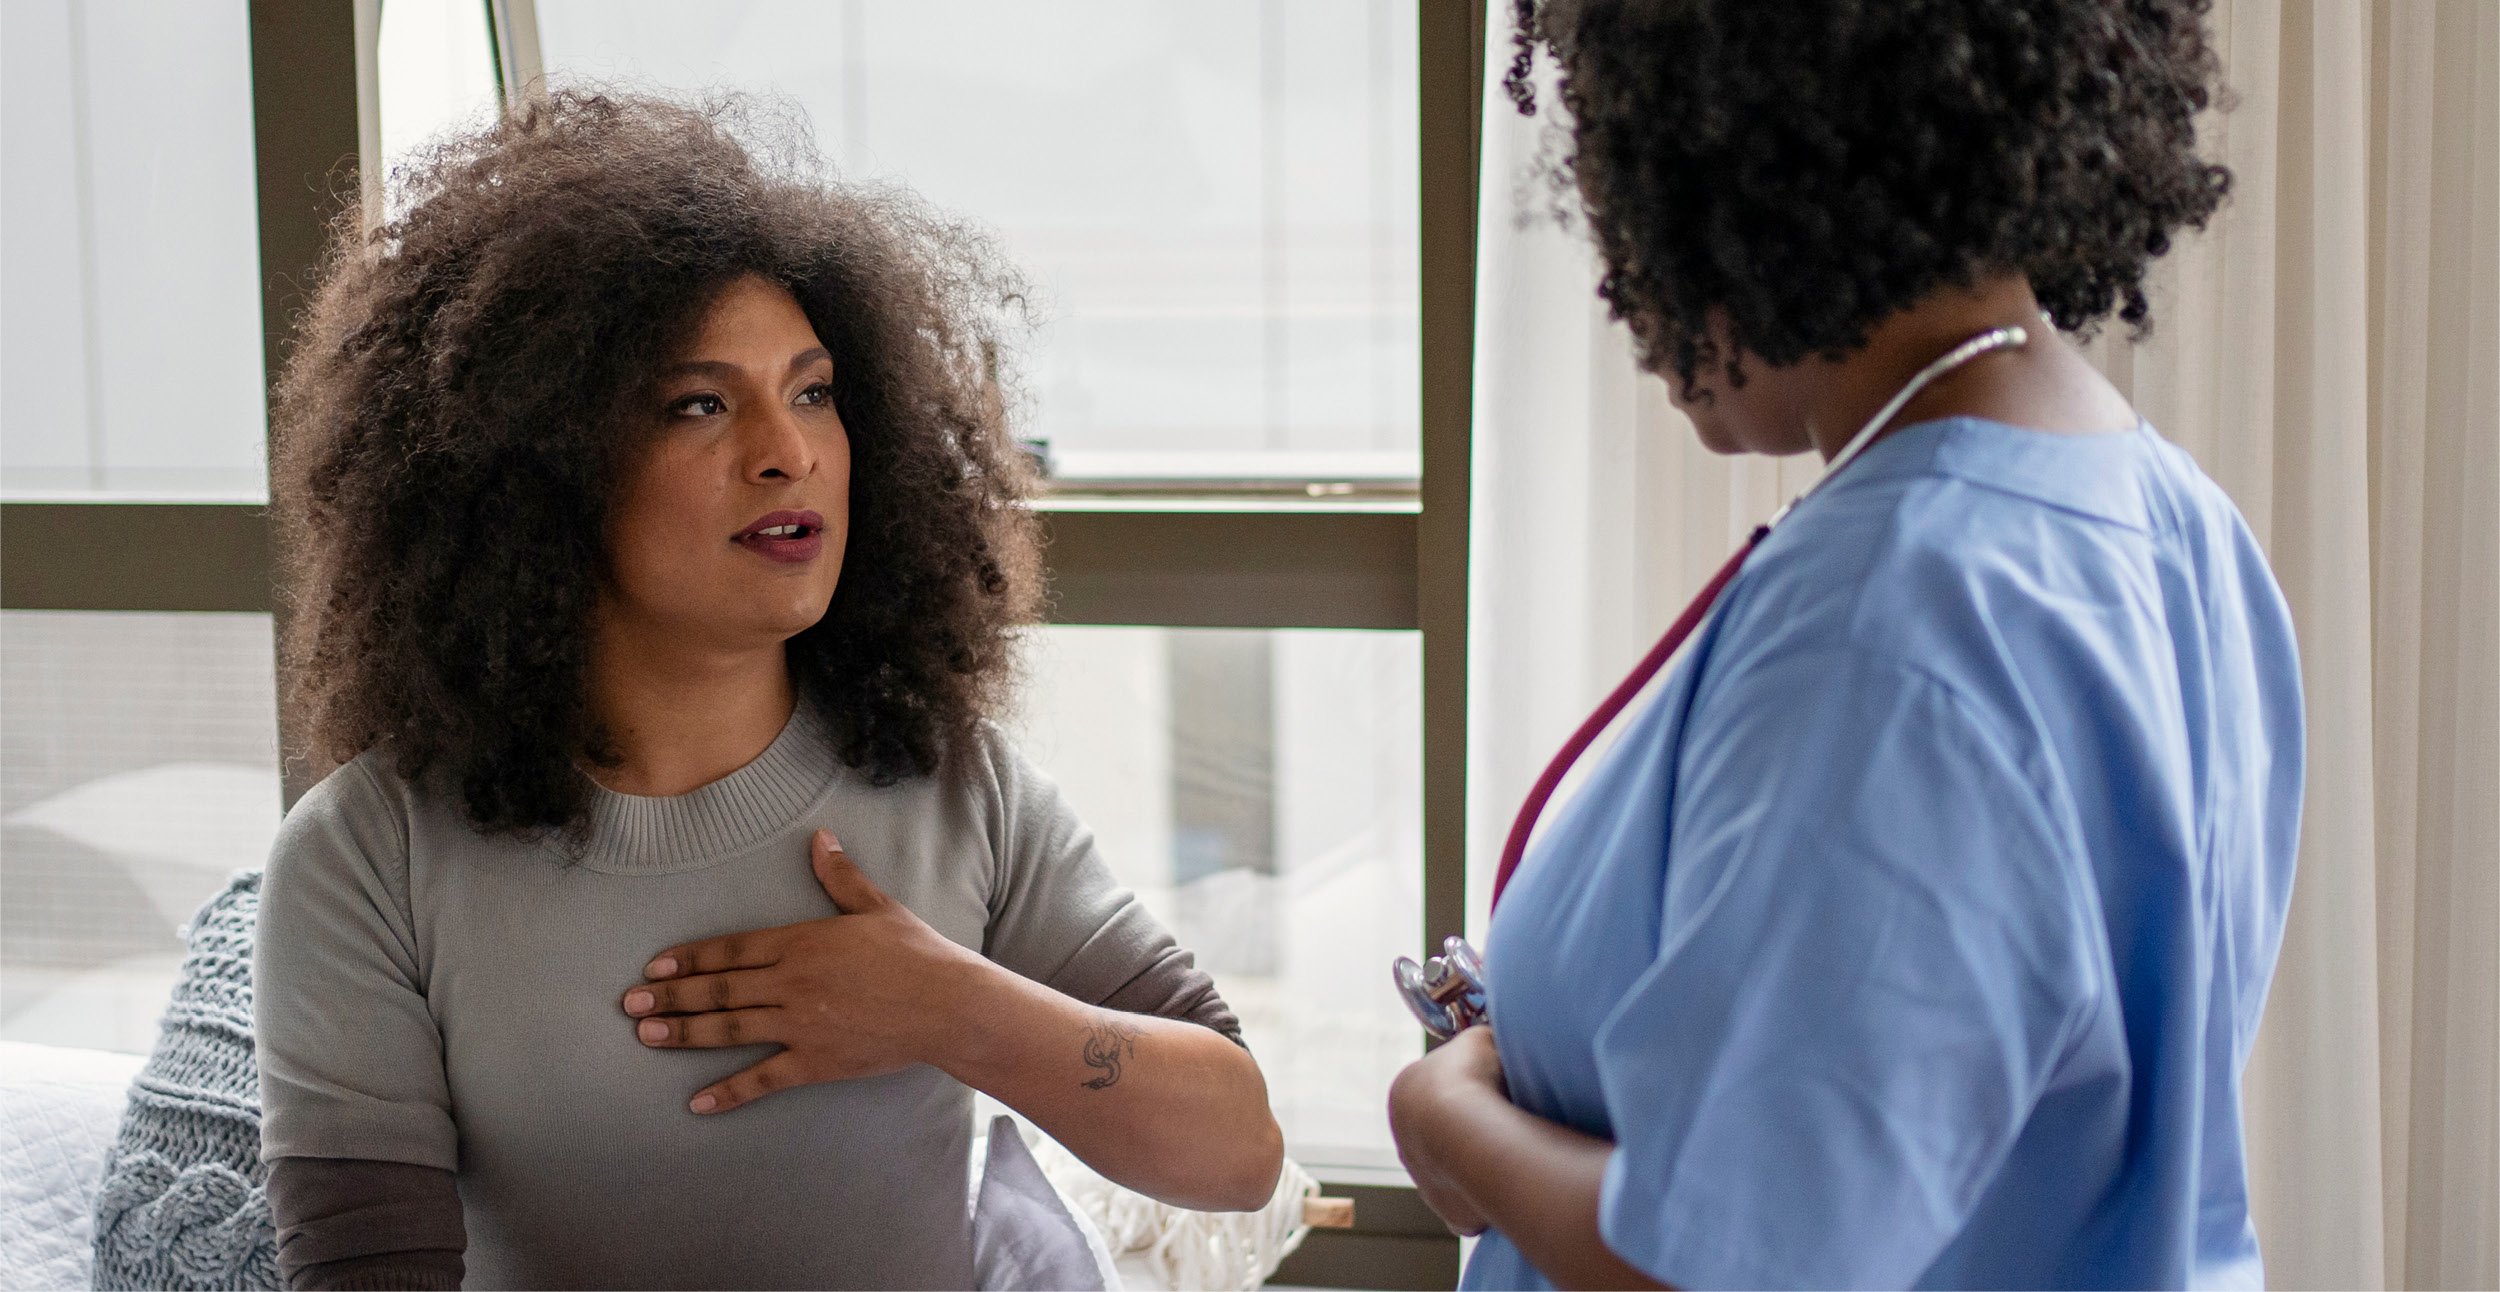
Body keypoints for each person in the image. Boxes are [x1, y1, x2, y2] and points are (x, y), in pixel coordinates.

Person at [253, 91, 1282, 1290]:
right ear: (535, 472)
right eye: (700, 403)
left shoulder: (959, 787)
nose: (786, 450)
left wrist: (950, 1007)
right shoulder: (368, 855)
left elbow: (1240, 1148)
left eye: (812, 390)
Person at [1386, 1, 2301, 1288]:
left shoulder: (1900, 620)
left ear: (1733, 150)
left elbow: (1721, 1269)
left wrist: (1445, 1116)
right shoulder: (2162, 519)